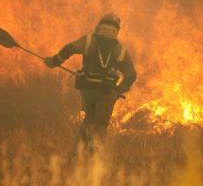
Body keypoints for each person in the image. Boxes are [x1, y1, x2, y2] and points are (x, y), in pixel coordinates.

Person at [44, 13, 137, 150]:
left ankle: (78, 155)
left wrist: (54, 61)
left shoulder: (88, 40)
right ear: (117, 31)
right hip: (107, 94)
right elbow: (131, 74)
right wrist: (118, 90)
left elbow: (69, 49)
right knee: (100, 126)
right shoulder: (119, 49)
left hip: (88, 91)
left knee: (89, 121)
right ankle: (95, 161)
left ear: (98, 27)